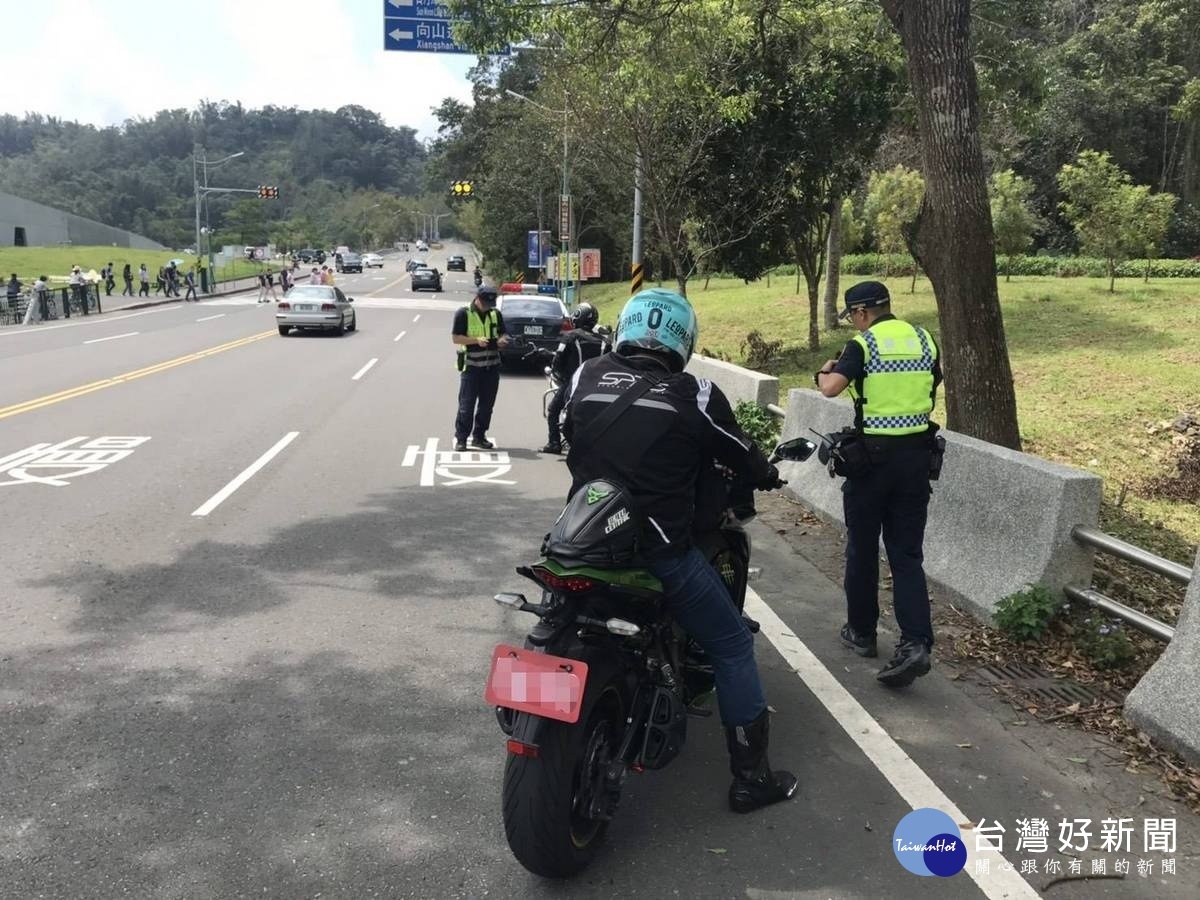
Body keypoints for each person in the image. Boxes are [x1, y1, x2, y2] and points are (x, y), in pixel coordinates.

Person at [560, 288, 794, 814]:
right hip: (657, 551)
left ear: (624, 328)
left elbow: (560, 425)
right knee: (732, 645)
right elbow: (741, 454)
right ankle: (751, 778)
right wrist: (767, 473)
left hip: (578, 541)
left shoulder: (586, 374)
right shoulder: (696, 393)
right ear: (682, 339)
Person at [814, 281, 944, 688]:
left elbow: (831, 389)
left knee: (863, 547)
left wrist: (826, 370)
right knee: (906, 554)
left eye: (853, 315)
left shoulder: (863, 345)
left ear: (861, 313)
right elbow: (931, 385)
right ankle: (916, 642)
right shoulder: (924, 339)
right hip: (917, 458)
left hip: (871, 462)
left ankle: (862, 632)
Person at [541, 302, 609, 454]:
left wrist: (559, 374)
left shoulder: (571, 337)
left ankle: (554, 443)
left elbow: (558, 360)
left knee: (552, 411)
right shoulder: (605, 342)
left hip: (574, 384)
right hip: (600, 385)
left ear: (578, 316)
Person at [450, 284, 509, 451]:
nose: (487, 308)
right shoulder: (463, 313)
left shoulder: (495, 314)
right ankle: (461, 438)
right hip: (471, 368)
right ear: (477, 299)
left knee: (486, 406)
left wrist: (503, 340)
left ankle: (479, 436)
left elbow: (503, 333)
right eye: (485, 304)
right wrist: (476, 340)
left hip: (491, 368)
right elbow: (456, 338)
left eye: (490, 305)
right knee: (466, 406)